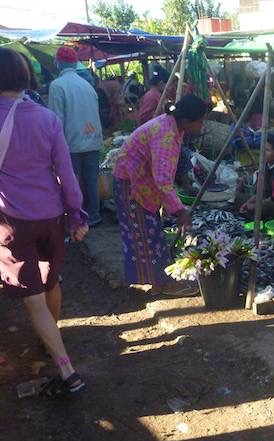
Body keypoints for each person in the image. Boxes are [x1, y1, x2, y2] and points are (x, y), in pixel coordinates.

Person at [0, 47, 88, 397]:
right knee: (51, 282)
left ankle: (66, 369)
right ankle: (50, 337)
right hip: (51, 215)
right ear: (25, 77)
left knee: (32, 298)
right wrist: (76, 212)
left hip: (9, 219)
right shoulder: (46, 118)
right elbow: (66, 171)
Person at [113, 95, 208, 296]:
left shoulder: (174, 127)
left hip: (142, 180)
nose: (202, 125)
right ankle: (161, 283)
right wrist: (180, 211)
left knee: (150, 231)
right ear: (185, 121)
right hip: (132, 183)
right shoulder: (165, 135)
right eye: (200, 121)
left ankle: (155, 281)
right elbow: (163, 181)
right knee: (145, 234)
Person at [48, 46, 103, 227]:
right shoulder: (86, 84)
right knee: (91, 180)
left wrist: (54, 148)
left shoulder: (57, 85)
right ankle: (94, 216)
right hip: (93, 140)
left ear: (58, 63)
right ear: (75, 63)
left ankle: (77, 217)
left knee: (73, 181)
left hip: (71, 142)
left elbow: (56, 120)